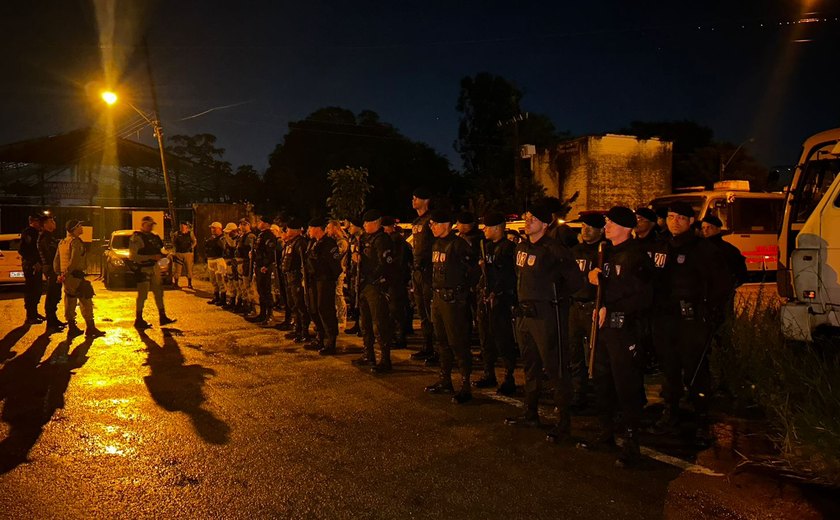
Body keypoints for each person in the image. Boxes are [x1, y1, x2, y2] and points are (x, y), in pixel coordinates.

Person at [650, 201, 731, 445]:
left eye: (681, 218)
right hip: (665, 318)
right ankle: (671, 413)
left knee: (696, 370)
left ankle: (701, 419)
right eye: (671, 216)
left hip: (692, 319)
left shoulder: (704, 250)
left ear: (691, 221)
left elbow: (721, 284)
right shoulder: (661, 247)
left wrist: (711, 313)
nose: (675, 221)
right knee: (670, 368)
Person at [504, 200, 583, 443]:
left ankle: (564, 421)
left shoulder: (555, 251)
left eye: (533, 219)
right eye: (526, 218)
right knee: (530, 365)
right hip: (525, 315)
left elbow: (575, 283)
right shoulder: (521, 248)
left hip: (547, 315)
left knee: (554, 367)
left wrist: (555, 299)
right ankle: (531, 411)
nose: (528, 223)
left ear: (545, 224)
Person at [583, 207, 654, 467]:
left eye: (612, 222)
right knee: (603, 381)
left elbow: (644, 297)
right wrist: (595, 283)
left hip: (625, 330)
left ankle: (631, 442)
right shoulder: (606, 253)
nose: (607, 226)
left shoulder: (637, 257)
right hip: (604, 329)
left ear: (626, 227)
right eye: (607, 222)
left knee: (627, 385)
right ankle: (606, 431)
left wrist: (609, 302)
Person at [423, 208, 477, 403]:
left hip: (453, 300)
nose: (432, 227)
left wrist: (461, 294)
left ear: (446, 225)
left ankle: (465, 385)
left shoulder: (459, 245)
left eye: (435, 223)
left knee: (458, 342)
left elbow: (472, 273)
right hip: (438, 298)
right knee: (442, 341)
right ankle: (445, 380)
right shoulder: (436, 244)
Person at [474, 212, 518, 396]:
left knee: (503, 339)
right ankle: (488, 373)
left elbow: (508, 275)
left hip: (501, 301)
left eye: (487, 226)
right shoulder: (487, 246)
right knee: (485, 338)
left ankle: (509, 378)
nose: (484, 229)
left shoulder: (508, 248)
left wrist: (497, 292)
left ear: (498, 228)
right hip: (485, 298)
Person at [568, 213, 606, 409]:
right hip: (576, 306)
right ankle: (578, 392)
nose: (585, 230)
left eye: (590, 227)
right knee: (574, 353)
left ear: (601, 230)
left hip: (594, 307)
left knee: (596, 355)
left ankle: (599, 395)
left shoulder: (604, 252)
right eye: (583, 226)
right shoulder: (575, 251)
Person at [352, 210, 396, 373]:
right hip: (363, 284)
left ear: (376, 223)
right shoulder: (364, 238)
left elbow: (385, 264)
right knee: (365, 322)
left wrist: (372, 277)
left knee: (379, 324)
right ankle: (368, 354)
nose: (364, 225)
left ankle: (385, 359)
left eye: (367, 223)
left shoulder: (382, 240)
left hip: (375, 286)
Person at [54, 220, 105, 338]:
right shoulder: (75, 242)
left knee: (70, 301)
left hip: (67, 278)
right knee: (86, 300)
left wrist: (60, 274)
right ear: (75, 228)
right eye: (80, 226)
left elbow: (56, 260)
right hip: (75, 275)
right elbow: (74, 260)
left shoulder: (62, 242)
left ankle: (72, 327)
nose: (82, 227)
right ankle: (90, 328)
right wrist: (66, 273)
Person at [128, 215, 176, 329]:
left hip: (155, 268)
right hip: (143, 269)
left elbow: (160, 250)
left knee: (159, 292)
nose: (151, 227)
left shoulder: (155, 237)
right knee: (143, 295)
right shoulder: (137, 237)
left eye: (152, 225)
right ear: (143, 224)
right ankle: (138, 319)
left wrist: (166, 254)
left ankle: (162, 317)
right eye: (149, 225)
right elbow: (133, 256)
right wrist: (152, 257)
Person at [304, 218, 343, 354]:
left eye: (310, 228)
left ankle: (330, 341)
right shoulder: (313, 243)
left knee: (325, 309)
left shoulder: (329, 243)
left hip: (325, 280)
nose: (309, 231)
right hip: (314, 280)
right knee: (314, 308)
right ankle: (320, 337)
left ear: (317, 229)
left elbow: (335, 266)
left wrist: (329, 279)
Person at [409, 187, 438, 364]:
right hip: (418, 271)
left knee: (430, 311)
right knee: (422, 311)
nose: (413, 200)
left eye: (416, 197)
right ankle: (427, 346)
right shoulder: (417, 221)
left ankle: (436, 348)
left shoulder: (431, 220)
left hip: (428, 271)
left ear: (425, 200)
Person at [382, 215, 412, 349]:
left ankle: (400, 337)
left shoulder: (394, 240)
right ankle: (399, 335)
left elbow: (396, 261)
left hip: (396, 278)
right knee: (397, 307)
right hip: (399, 277)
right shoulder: (399, 239)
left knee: (395, 308)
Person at [281, 218, 311, 343]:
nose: (286, 231)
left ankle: (304, 332)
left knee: (300, 306)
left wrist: (303, 279)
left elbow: (304, 263)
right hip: (289, 277)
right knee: (293, 304)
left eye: (288, 229)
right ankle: (297, 329)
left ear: (295, 230)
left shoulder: (301, 243)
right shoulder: (290, 242)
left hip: (297, 278)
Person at [701, 214, 747, 287]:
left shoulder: (728, 249)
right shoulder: (700, 247)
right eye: (703, 228)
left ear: (718, 229)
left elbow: (741, 273)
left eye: (709, 227)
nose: (705, 230)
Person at [37, 213, 65, 332]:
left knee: (55, 295)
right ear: (45, 224)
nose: (54, 223)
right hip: (51, 269)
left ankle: (53, 319)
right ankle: (51, 323)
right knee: (52, 295)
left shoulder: (50, 237)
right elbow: (52, 254)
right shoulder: (45, 238)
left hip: (53, 269)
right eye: (51, 221)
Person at [252, 216, 279, 326]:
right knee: (261, 290)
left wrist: (266, 265)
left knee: (266, 291)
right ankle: (262, 314)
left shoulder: (269, 236)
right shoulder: (261, 234)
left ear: (267, 224)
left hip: (264, 267)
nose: (258, 223)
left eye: (261, 221)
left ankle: (269, 315)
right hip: (259, 266)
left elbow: (270, 253)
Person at [19, 213, 45, 324]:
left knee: (37, 289)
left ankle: (34, 313)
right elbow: (23, 250)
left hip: (36, 265)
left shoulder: (36, 233)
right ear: (33, 221)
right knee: (31, 290)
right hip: (31, 266)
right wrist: (34, 262)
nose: (40, 224)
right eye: (38, 221)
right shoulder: (29, 233)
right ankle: (30, 316)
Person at [326, 219, 350, 333]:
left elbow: (336, 257)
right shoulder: (333, 241)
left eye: (329, 228)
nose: (327, 230)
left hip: (339, 272)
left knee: (338, 295)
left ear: (335, 228)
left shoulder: (342, 242)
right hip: (331, 272)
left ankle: (342, 319)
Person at [236, 219, 258, 318]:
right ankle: (245, 305)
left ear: (249, 225)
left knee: (248, 286)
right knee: (242, 286)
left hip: (246, 263)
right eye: (241, 224)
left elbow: (253, 251)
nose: (242, 226)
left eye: (245, 224)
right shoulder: (242, 236)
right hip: (240, 263)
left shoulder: (250, 236)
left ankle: (252, 307)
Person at [204, 222, 226, 304]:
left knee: (220, 279)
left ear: (219, 229)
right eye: (211, 228)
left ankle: (223, 298)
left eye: (214, 228)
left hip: (219, 260)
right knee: (213, 280)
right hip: (211, 260)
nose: (212, 230)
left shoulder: (222, 238)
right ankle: (216, 297)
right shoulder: (211, 238)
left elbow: (224, 248)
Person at [171, 221, 197, 289]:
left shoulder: (190, 233)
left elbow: (194, 241)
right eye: (181, 226)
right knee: (178, 270)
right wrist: (174, 251)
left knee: (189, 269)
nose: (182, 227)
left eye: (184, 226)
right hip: (179, 253)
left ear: (186, 226)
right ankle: (176, 283)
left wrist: (191, 247)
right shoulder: (176, 234)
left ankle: (190, 284)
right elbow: (173, 242)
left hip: (187, 254)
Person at [221, 223, 240, 309]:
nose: (227, 234)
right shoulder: (227, 239)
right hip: (226, 262)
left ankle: (238, 302)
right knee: (229, 281)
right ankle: (231, 301)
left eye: (229, 232)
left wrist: (227, 238)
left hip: (234, 263)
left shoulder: (237, 239)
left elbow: (233, 246)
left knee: (236, 283)